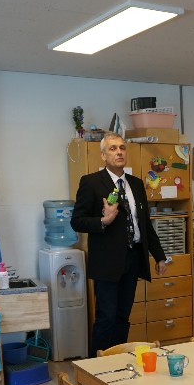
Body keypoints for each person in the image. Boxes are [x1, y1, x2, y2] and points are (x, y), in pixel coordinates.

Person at [71, 132, 167, 355]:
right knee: (106, 317)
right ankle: (97, 366)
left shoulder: (136, 184)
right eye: (113, 149)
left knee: (123, 316)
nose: (119, 152)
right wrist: (103, 221)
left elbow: (145, 224)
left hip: (132, 258)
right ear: (103, 155)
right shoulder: (91, 182)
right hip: (107, 261)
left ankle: (119, 360)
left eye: (122, 148)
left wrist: (159, 255)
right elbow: (77, 221)